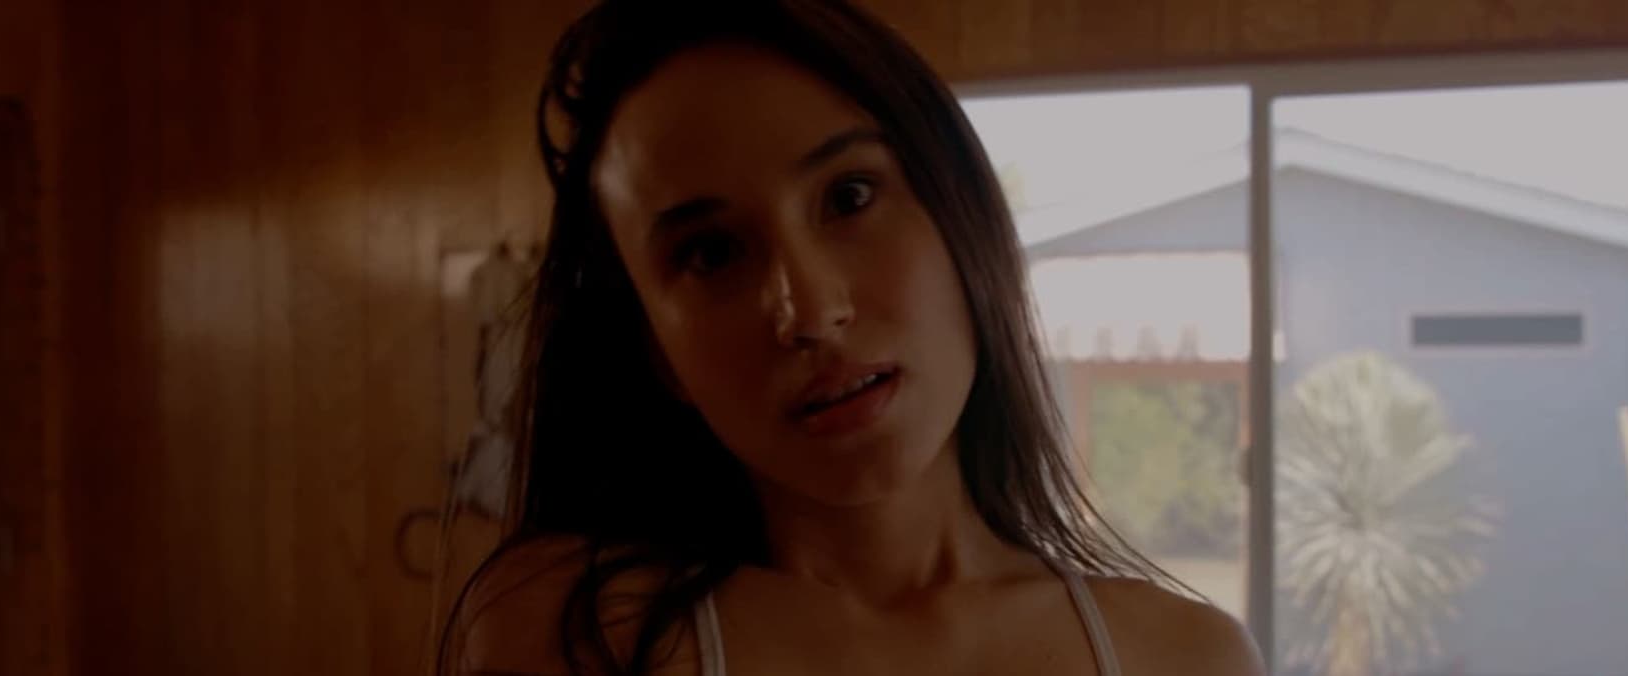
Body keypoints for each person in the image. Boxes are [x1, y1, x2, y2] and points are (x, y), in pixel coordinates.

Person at [440, 1, 1265, 674]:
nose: (809, 311)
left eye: (850, 197)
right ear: (657, 350)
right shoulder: (581, 635)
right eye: (712, 253)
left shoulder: (1186, 659)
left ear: (961, 221)